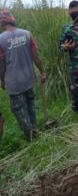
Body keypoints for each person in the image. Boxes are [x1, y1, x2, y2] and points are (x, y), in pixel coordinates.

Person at [0, 9, 46, 142]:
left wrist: (2, 81)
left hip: (14, 83)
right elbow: (35, 57)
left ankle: (31, 138)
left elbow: (1, 65)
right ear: (13, 19)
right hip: (29, 79)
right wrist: (42, 71)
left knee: (20, 110)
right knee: (31, 105)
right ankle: (35, 131)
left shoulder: (1, 40)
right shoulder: (27, 34)